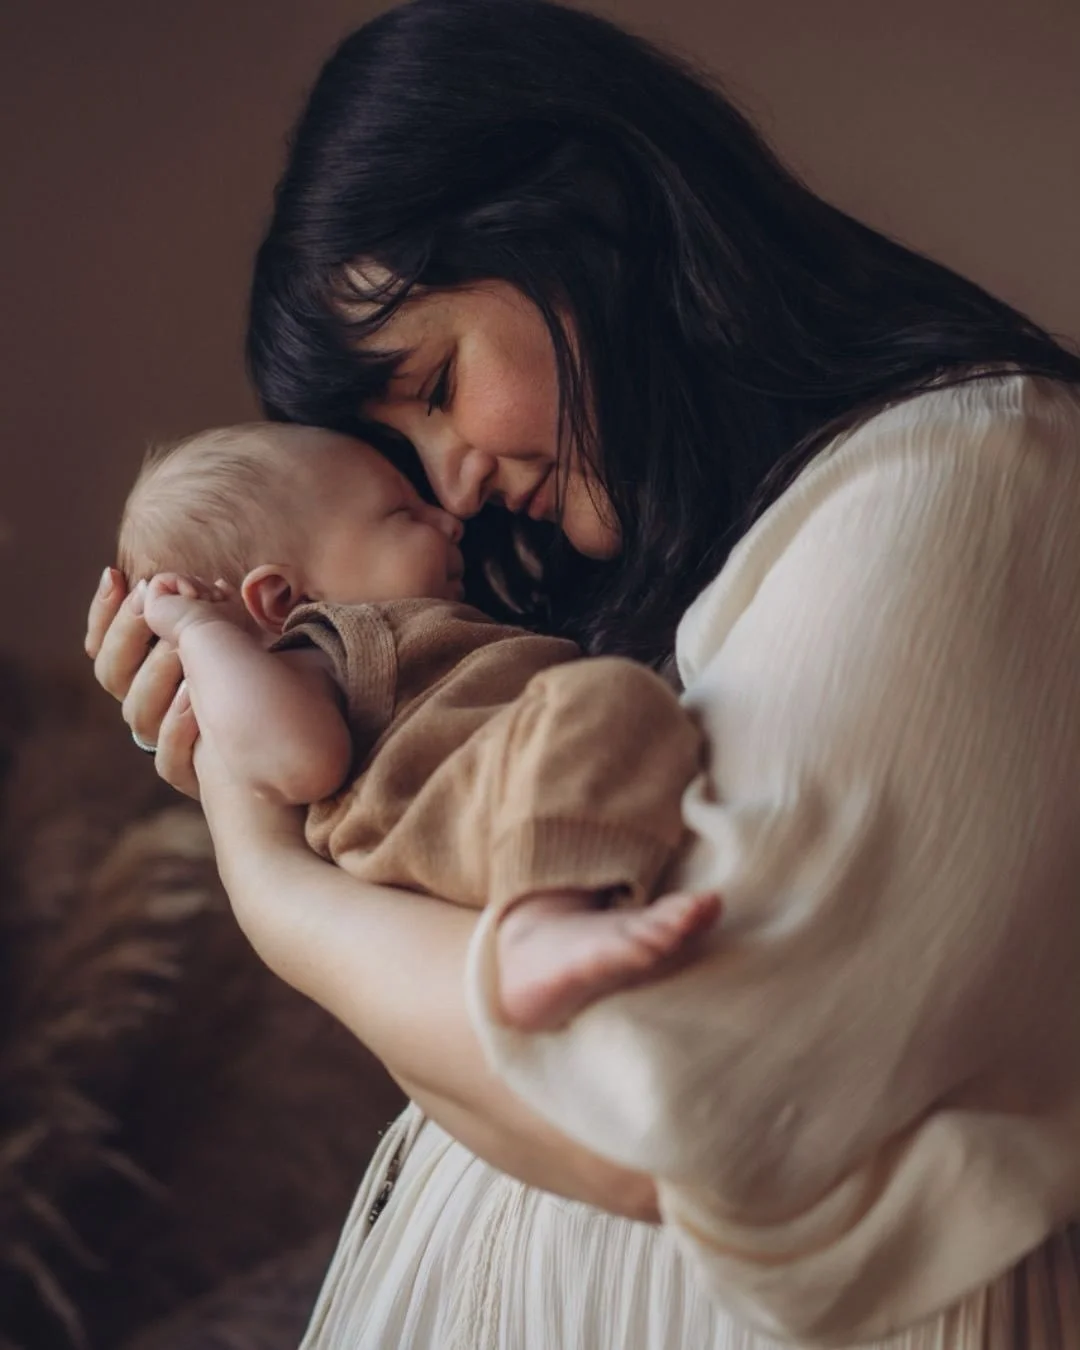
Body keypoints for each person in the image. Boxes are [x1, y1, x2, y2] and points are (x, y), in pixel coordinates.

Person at [85, 1, 1080, 1345]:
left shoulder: (970, 474)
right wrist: (263, 746)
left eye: (435, 382)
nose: (452, 484)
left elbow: (668, 1100)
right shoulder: (665, 596)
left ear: (589, 214)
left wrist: (270, 878)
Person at [117, 421, 714, 1031]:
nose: (450, 520)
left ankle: (559, 909)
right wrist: (201, 634)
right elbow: (298, 764)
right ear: (279, 598)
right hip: (432, 813)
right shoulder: (319, 649)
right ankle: (536, 931)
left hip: (498, 799)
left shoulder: (446, 630)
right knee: (602, 700)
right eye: (404, 513)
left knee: (614, 702)